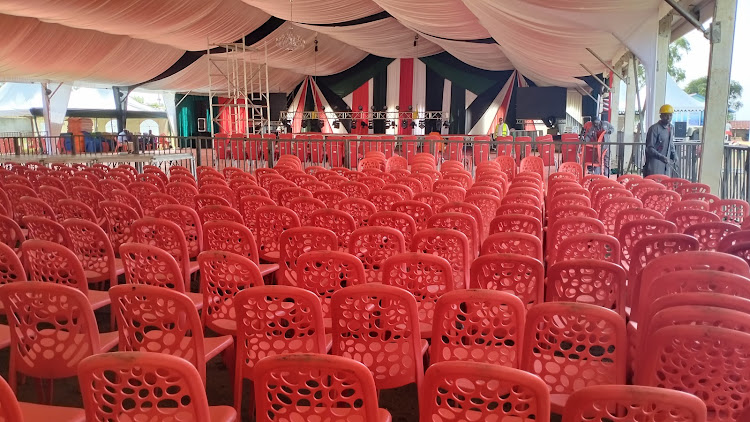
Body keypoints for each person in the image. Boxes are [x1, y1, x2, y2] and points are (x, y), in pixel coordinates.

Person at [644, 104, 677, 177]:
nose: (668, 118)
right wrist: (661, 157)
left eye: (670, 115)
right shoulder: (654, 129)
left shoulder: (671, 128)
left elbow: (671, 143)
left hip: (666, 165)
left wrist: (674, 155)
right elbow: (649, 148)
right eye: (666, 115)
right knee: (654, 185)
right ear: (661, 116)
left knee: (665, 184)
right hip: (654, 164)